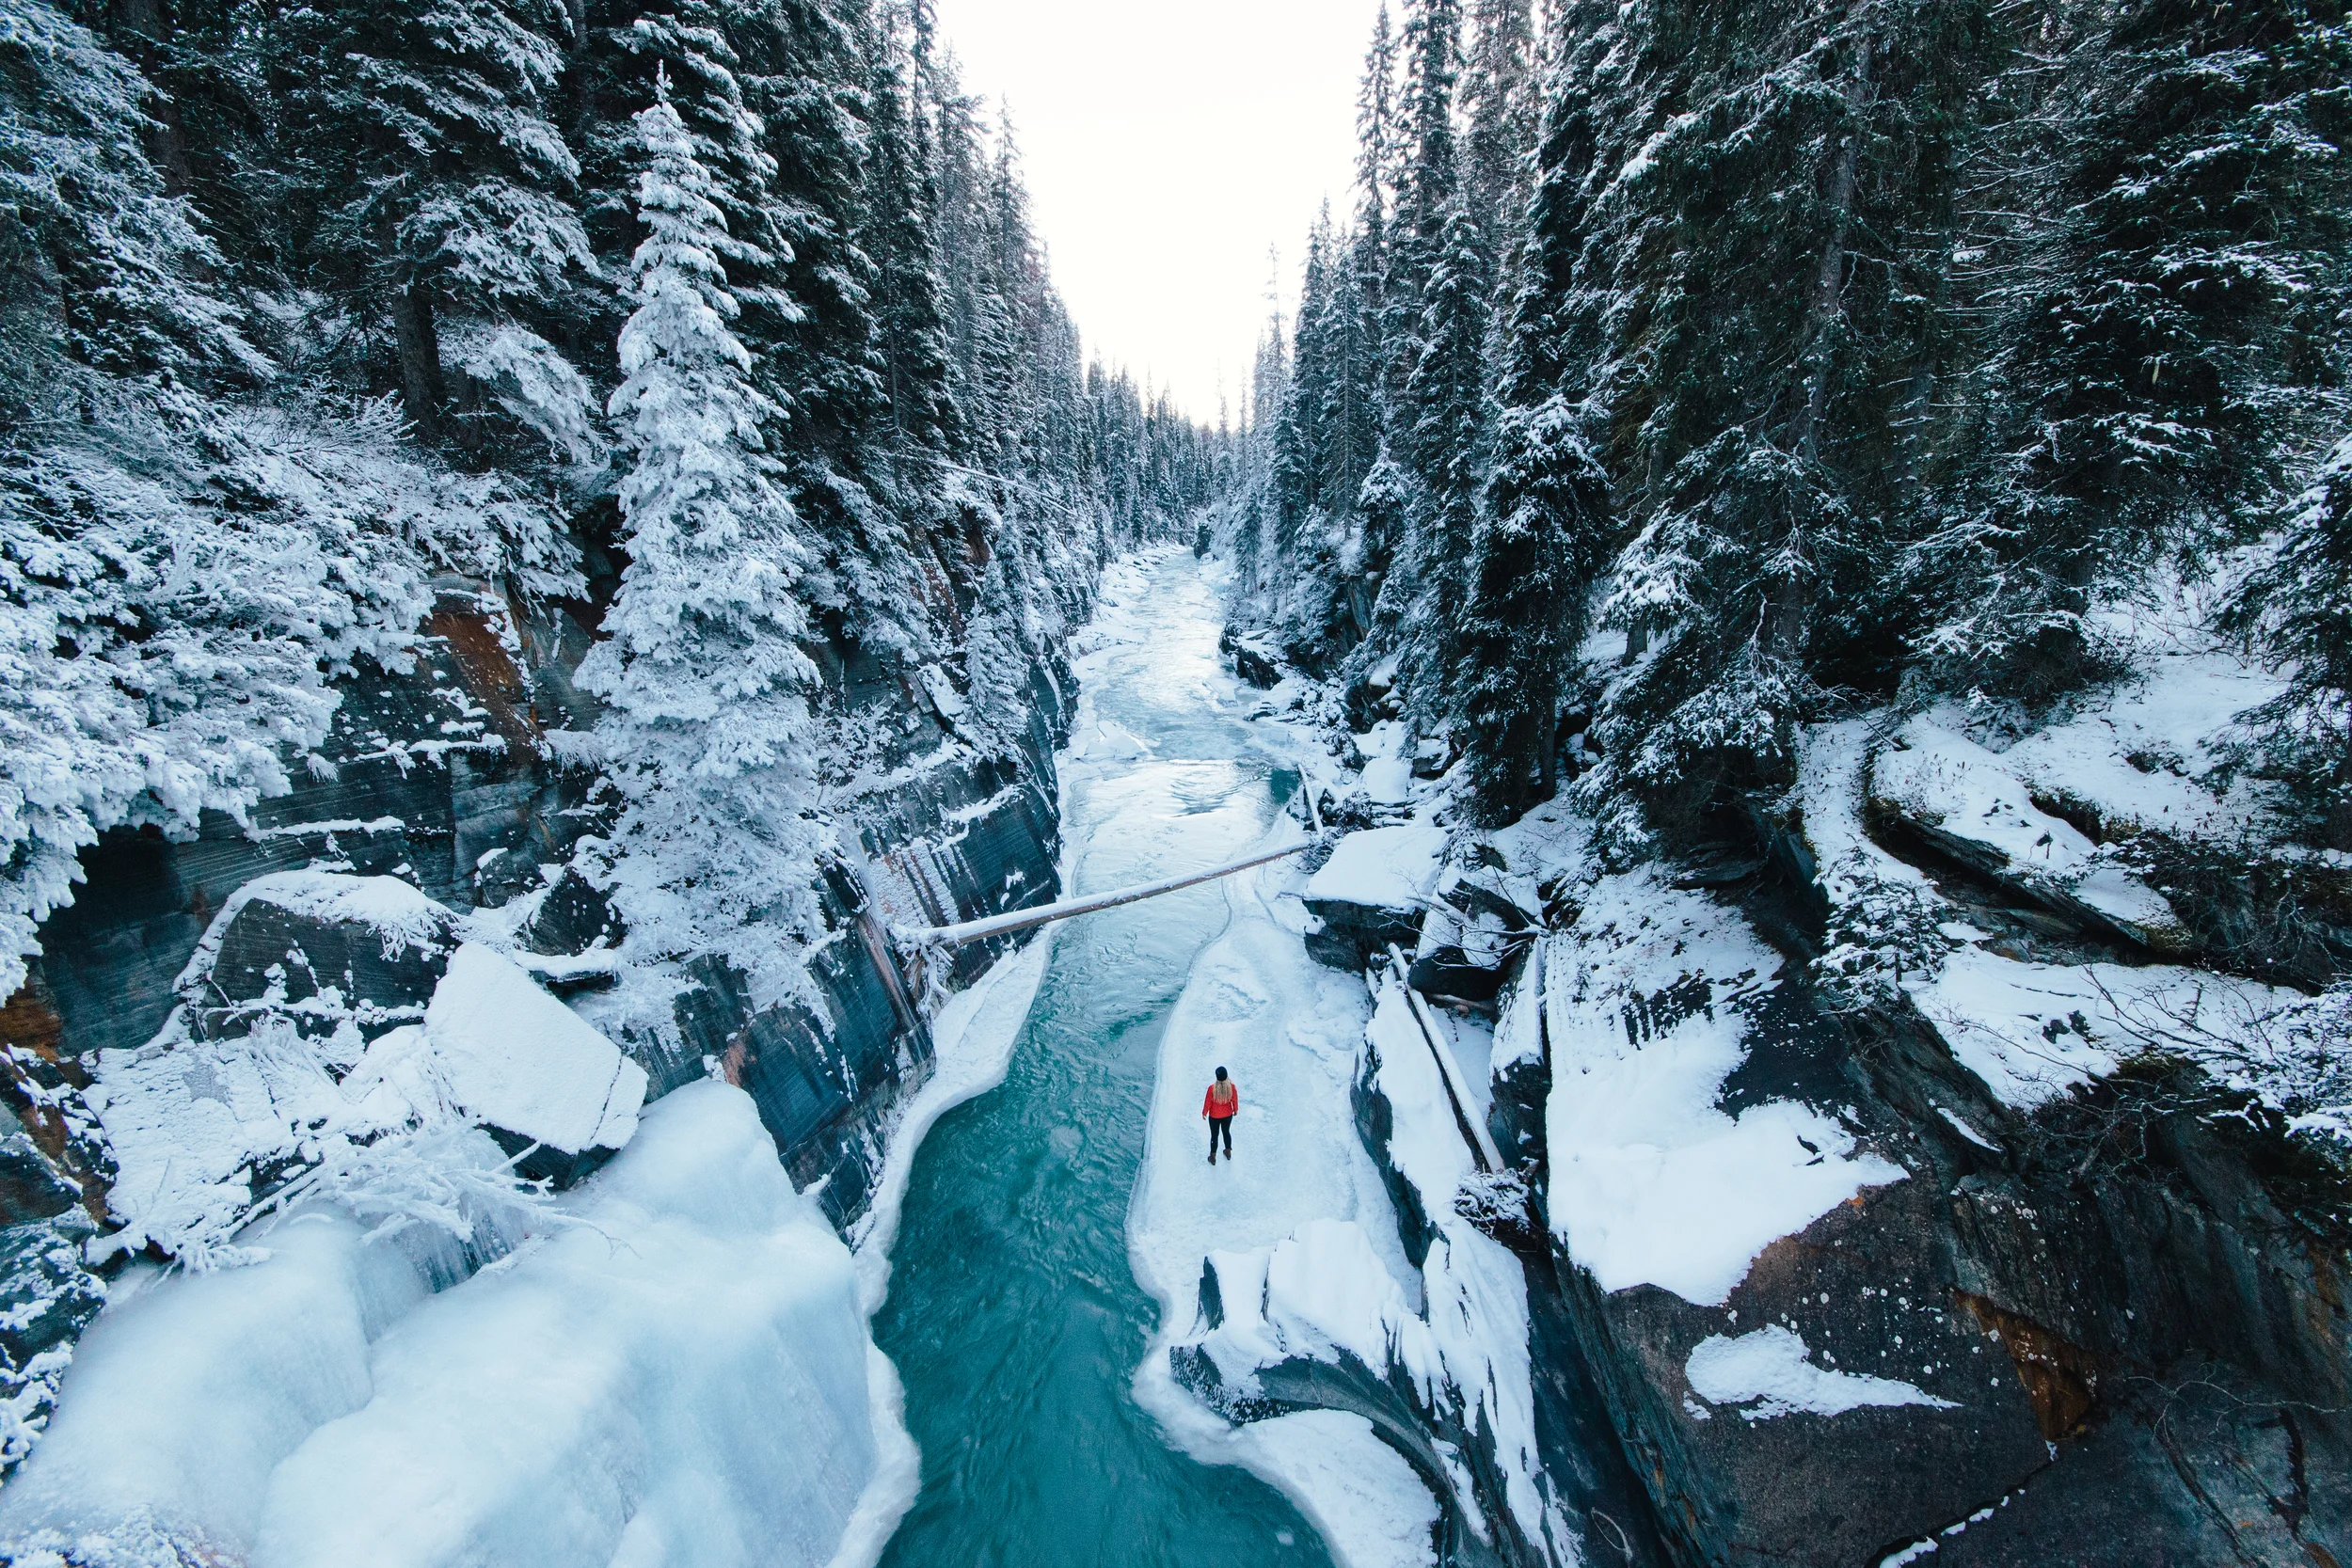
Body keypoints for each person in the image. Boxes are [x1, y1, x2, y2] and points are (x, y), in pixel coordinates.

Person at [1202, 1067, 1237, 1164]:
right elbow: (1235, 1099)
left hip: (1214, 1117)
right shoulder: (1231, 1087)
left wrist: (1204, 1112)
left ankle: (1213, 1156)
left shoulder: (1212, 1089)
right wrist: (1235, 1109)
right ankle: (1228, 1151)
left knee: (1214, 1136)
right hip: (1227, 1115)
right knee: (1226, 1132)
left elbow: (1208, 1102)